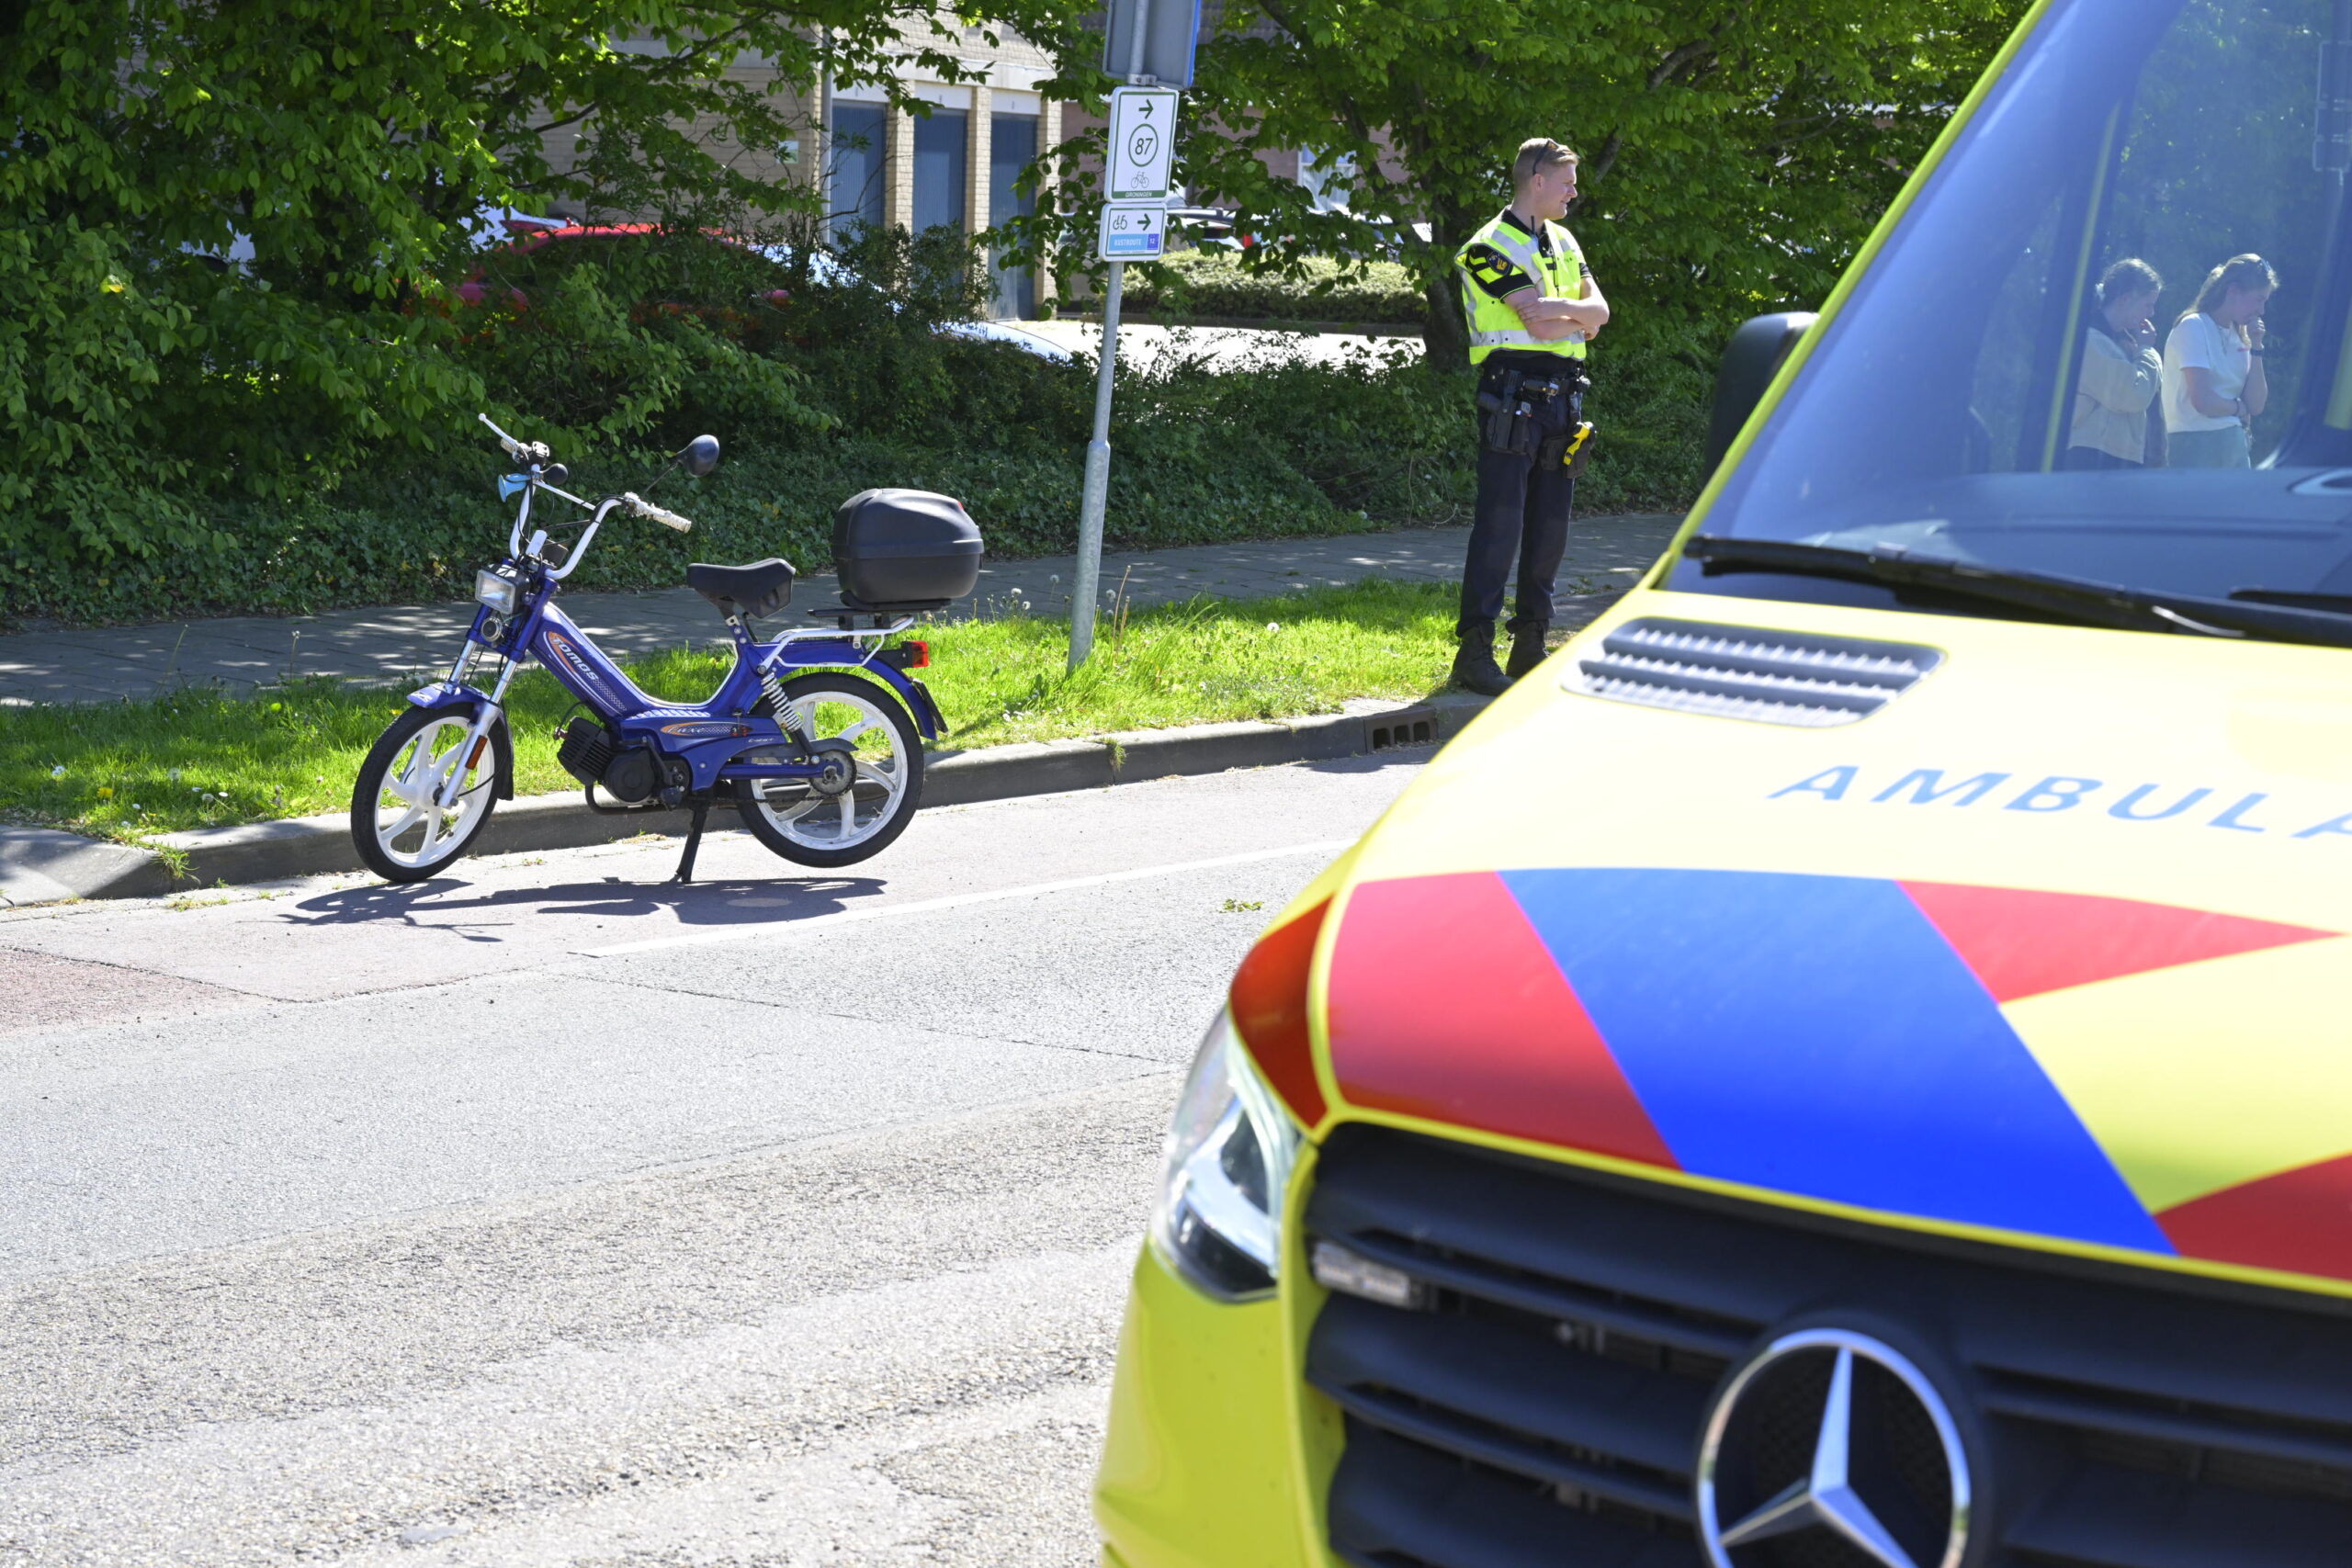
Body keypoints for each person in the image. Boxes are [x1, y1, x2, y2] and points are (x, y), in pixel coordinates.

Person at [1450, 137, 1611, 695]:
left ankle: (1529, 645)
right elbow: (1540, 328)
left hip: (1563, 396)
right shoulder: (1485, 248)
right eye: (1565, 180)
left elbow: (1602, 312)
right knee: (1500, 524)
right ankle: (1474, 653)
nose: (1573, 191)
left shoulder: (1564, 239)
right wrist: (1577, 317)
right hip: (1512, 392)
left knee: (1550, 527)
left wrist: (1565, 310)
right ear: (1535, 180)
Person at [2163, 254, 2276, 468]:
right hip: (2195, 444)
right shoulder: (2194, 326)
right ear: (2233, 291)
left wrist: (2257, 346)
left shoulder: (2240, 335)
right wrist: (2239, 410)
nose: (2261, 311)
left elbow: (2256, 405)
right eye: (2259, 299)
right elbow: (2203, 401)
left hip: (2234, 446)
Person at [2065, 258, 2164, 469]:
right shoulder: (2090, 341)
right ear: (2125, 299)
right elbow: (2133, 395)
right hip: (2091, 459)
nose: (2151, 313)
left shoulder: (2125, 345)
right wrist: (2148, 350)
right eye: (2148, 305)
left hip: (2117, 459)